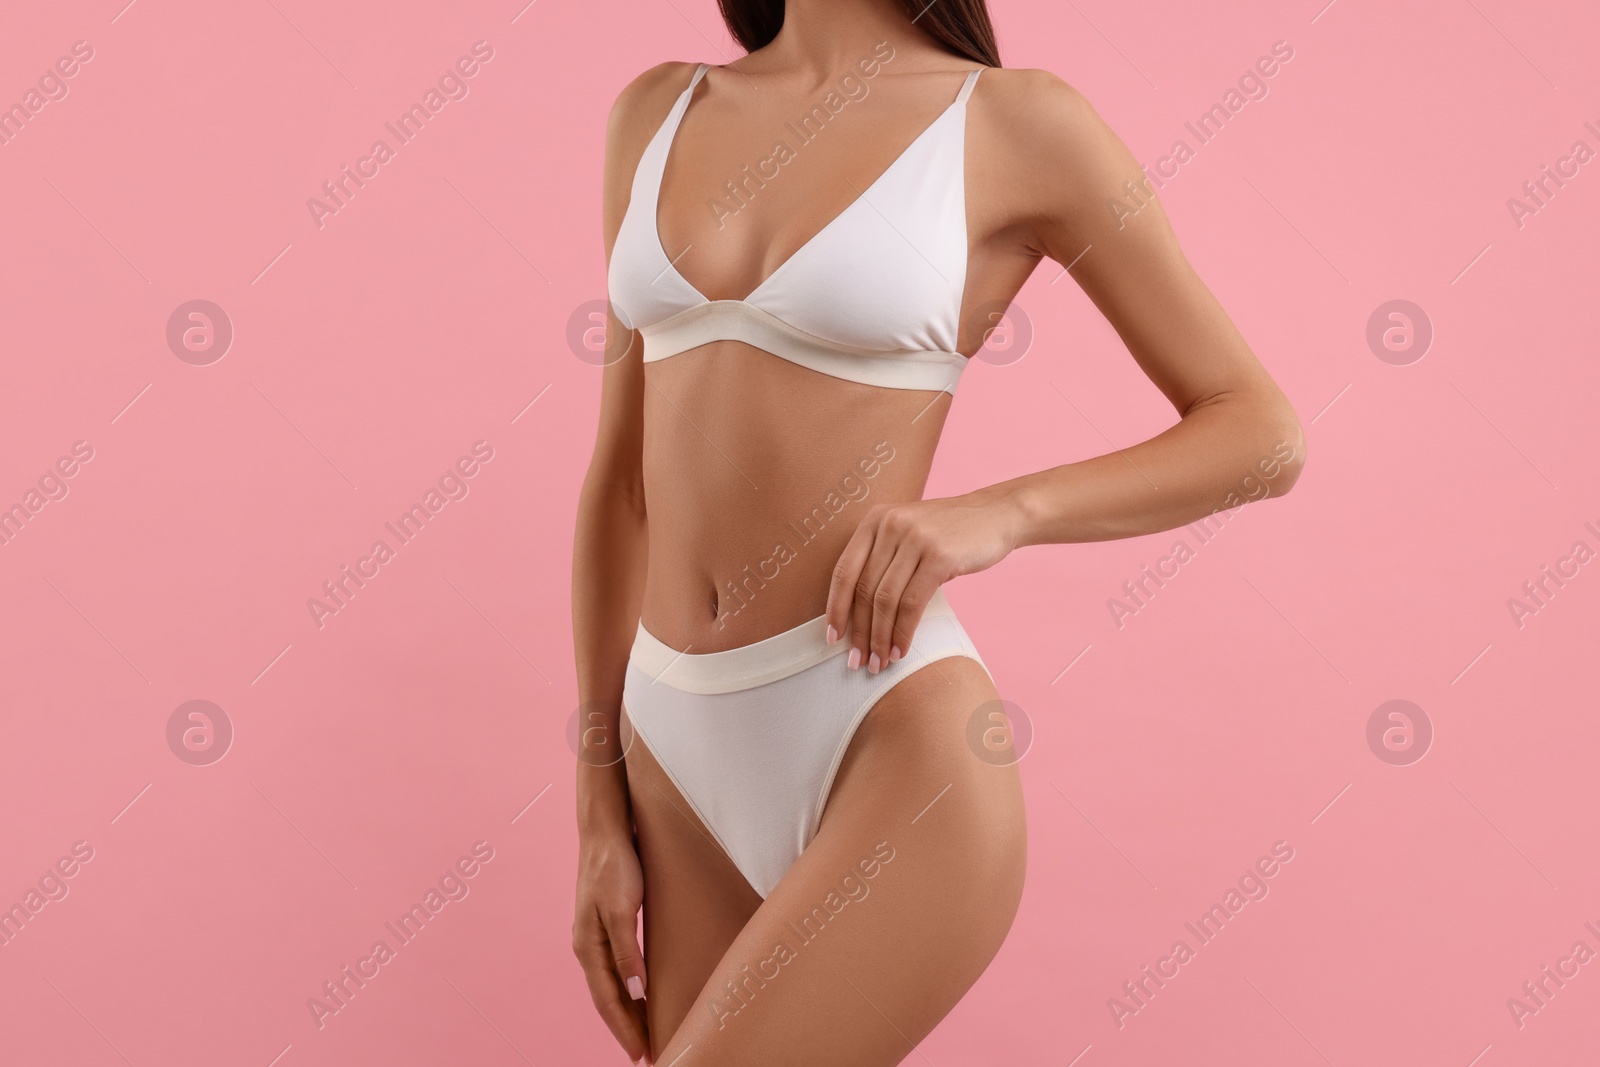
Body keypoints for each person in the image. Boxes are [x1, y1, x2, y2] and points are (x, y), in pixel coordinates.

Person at [572, 1, 1305, 1062]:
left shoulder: (1013, 122)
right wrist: (596, 803)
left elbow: (1260, 429)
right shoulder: (654, 112)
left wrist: (1000, 512)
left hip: (882, 731)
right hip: (670, 742)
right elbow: (619, 489)